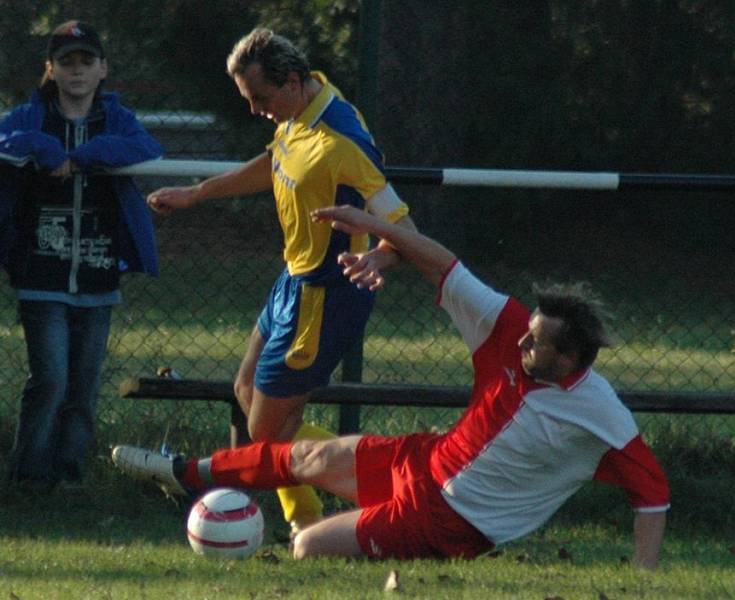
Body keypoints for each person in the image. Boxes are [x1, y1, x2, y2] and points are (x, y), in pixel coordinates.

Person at [112, 204, 670, 568]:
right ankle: (183, 473)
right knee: (304, 455)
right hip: (428, 460)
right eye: (525, 334)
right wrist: (374, 229)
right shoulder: (510, 329)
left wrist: (643, 581)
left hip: (450, 520)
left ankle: (266, 538)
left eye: (536, 343)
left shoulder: (601, 412)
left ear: (569, 359)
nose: (521, 344)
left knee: (307, 547)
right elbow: (444, 264)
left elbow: (653, 495)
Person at [144, 28, 416, 534]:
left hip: (328, 295)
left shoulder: (342, 141)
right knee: (246, 390)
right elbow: (275, 163)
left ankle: (394, 486)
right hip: (292, 280)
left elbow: (403, 226)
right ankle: (307, 519)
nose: (255, 111)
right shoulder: (300, 107)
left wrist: (384, 257)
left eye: (261, 99)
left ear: (290, 82)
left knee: (265, 434)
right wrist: (198, 192)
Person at [0, 20, 162, 486]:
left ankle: (70, 476)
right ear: (49, 69)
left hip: (97, 275)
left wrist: (87, 155)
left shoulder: (117, 120)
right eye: (66, 62)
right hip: (40, 273)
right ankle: (28, 476)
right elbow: (5, 140)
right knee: (49, 380)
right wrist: (43, 147)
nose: (77, 71)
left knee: (83, 385)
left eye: (86, 61)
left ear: (102, 69)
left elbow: (146, 148)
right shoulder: (29, 117)